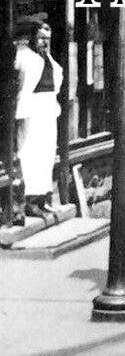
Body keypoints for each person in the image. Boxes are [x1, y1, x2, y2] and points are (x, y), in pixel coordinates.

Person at [13, 16, 62, 218]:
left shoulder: (48, 59)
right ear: (33, 38)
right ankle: (31, 200)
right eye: (41, 38)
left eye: (47, 38)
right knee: (31, 153)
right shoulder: (25, 57)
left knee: (47, 153)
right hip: (32, 108)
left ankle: (43, 198)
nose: (44, 42)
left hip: (48, 107)